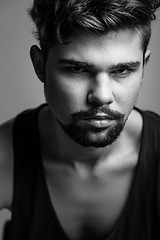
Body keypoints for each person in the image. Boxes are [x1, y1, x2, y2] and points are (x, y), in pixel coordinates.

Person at [0, 0, 160, 239]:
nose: (102, 96)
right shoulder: (5, 156)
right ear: (40, 66)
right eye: (77, 69)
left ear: (144, 67)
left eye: (122, 70)